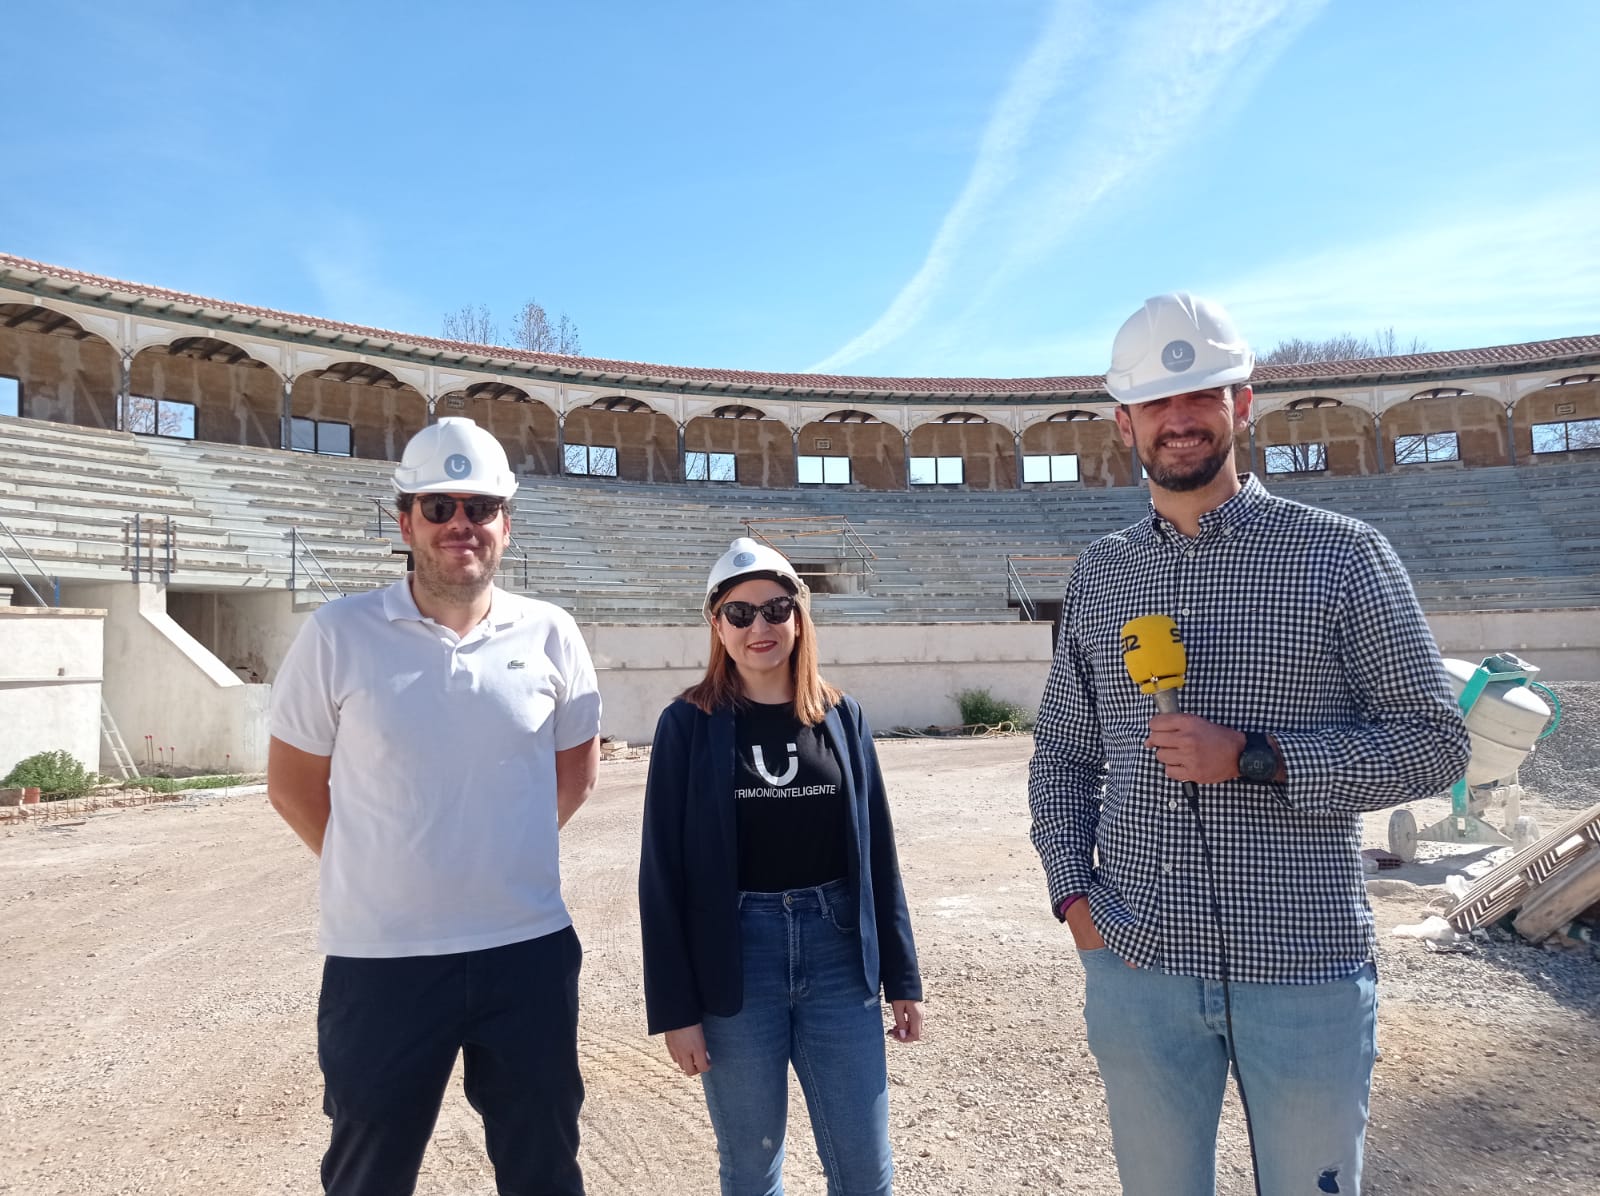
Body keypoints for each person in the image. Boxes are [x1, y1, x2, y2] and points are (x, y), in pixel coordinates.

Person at [1027, 294, 1470, 1196]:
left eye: (1203, 395)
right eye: (1157, 402)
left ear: (1243, 403)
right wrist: (1076, 899)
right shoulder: (1103, 574)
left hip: (1301, 962)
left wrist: (1257, 756)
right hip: (1137, 961)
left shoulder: (1344, 555)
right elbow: (1063, 758)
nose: (1180, 419)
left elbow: (1435, 742)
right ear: (1124, 423)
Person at [267, 416, 602, 1196]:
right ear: (405, 520)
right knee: (369, 1173)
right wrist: (381, 865)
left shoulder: (551, 633)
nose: (462, 524)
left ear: (506, 525)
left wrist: (492, 852)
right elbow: (291, 786)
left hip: (526, 949)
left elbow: (575, 777)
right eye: (440, 506)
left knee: (545, 1166)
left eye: (480, 508)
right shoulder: (338, 632)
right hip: (380, 960)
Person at [639, 538, 924, 1196]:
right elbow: (662, 877)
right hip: (736, 963)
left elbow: (877, 851)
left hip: (839, 958)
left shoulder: (842, 716)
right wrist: (676, 1010)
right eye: (739, 614)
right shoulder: (687, 725)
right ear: (716, 625)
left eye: (775, 609)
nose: (759, 627)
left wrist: (902, 976)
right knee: (752, 1167)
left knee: (865, 1169)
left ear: (800, 617)